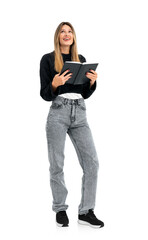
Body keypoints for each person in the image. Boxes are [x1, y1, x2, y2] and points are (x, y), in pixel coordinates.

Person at [39, 21, 104, 228]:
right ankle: (60, 209)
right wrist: (54, 84)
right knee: (57, 164)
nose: (66, 34)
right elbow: (45, 94)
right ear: (57, 36)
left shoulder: (81, 60)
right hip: (58, 112)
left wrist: (92, 82)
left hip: (80, 112)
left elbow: (84, 93)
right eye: (62, 32)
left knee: (92, 163)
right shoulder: (48, 60)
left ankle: (86, 211)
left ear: (73, 36)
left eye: (70, 32)